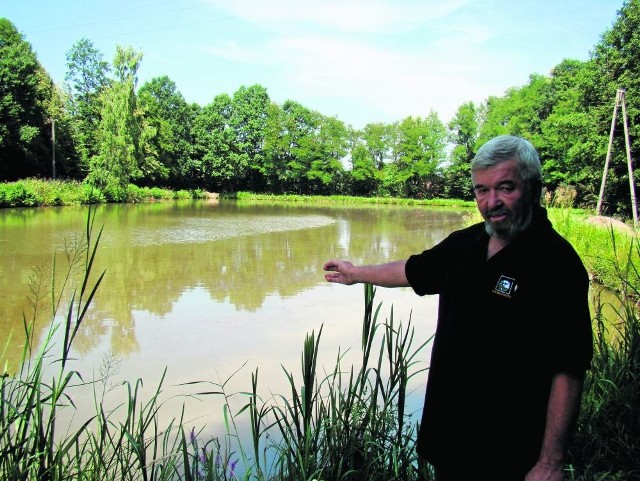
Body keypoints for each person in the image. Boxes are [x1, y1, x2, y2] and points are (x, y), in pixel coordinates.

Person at [323, 135, 593, 481]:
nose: (491, 202)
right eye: (482, 190)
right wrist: (355, 273)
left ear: (532, 188)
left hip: (511, 454)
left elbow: (569, 369)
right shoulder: (466, 244)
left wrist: (550, 463)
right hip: (449, 441)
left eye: (505, 187)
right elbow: (412, 270)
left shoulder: (556, 264)